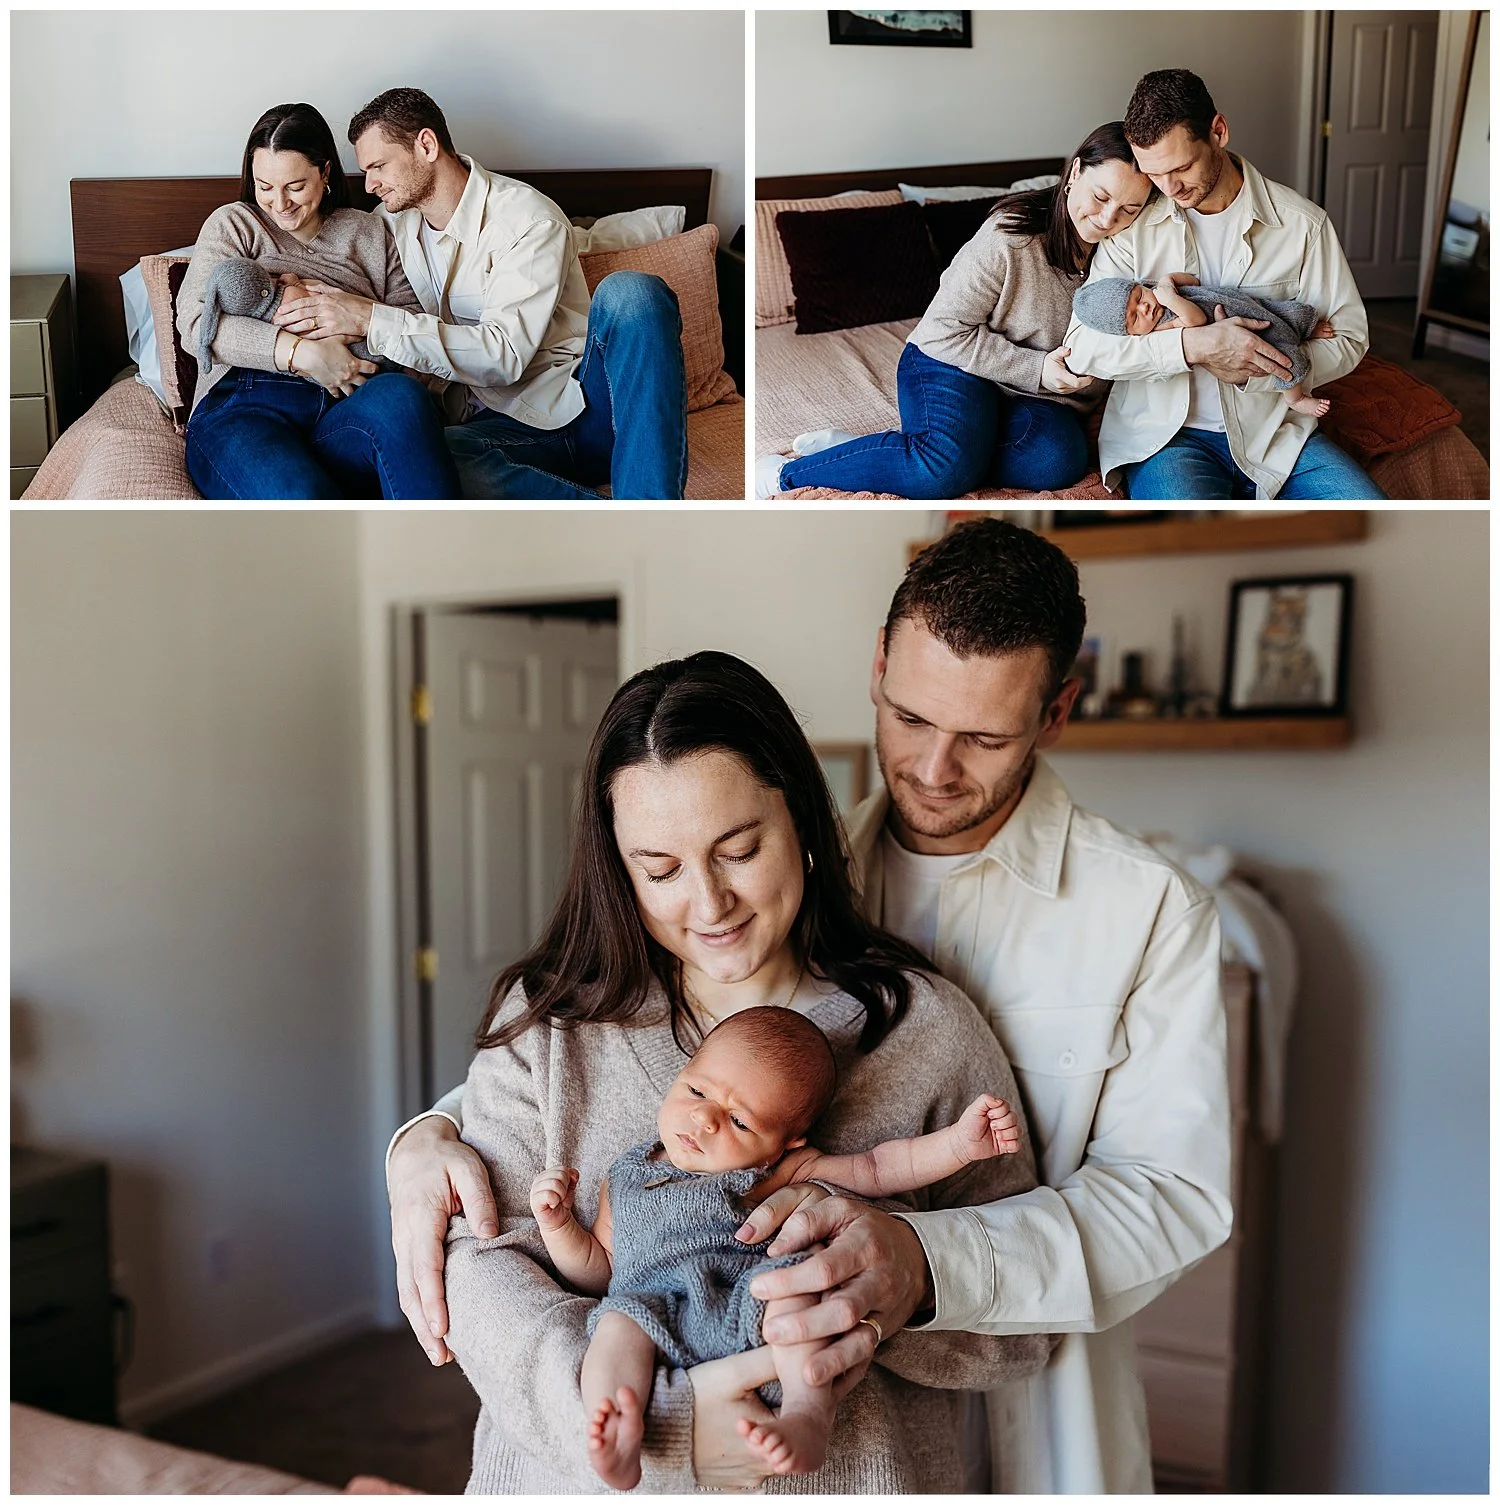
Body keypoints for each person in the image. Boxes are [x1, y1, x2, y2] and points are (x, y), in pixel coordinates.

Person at [387, 519, 1233, 1493]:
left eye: (740, 850)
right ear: (877, 670)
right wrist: (424, 1133)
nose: (932, 767)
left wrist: (916, 1264)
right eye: (910, 719)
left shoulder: (1103, 933)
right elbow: (508, 1192)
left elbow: (1166, 1197)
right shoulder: (580, 1007)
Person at [435, 650, 1051, 1492]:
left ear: (798, 819)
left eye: (738, 849)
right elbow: (478, 1263)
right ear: (619, 867)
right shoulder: (547, 1025)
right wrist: (655, 1426)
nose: (709, 903)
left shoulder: (925, 1030)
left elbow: (1030, 1323)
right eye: (659, 870)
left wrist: (909, 1276)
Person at [533, 1004, 1023, 1486]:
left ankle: (807, 1416)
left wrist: (959, 1145)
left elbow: (877, 1168)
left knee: (801, 1289)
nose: (705, 1119)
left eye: (740, 1122)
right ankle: (616, 1425)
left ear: (785, 1145)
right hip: (653, 1310)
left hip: (749, 1300)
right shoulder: (624, 1177)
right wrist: (559, 1227)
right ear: (681, 1074)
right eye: (697, 1089)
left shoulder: (777, 1173)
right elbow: (601, 1268)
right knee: (614, 1325)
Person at [270, 88, 690, 500]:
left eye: (378, 166)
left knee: (633, 293)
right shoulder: (388, 228)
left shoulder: (527, 220)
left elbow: (504, 356)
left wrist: (369, 318)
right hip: (492, 430)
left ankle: (650, 511)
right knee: (423, 457)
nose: (370, 185)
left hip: (582, 410)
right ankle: (611, 526)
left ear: (427, 145)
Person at [754, 122, 1154, 500]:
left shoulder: (1131, 253)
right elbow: (941, 331)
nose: (1107, 219)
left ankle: (886, 452)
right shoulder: (1010, 237)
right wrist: (1037, 370)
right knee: (944, 468)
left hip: (1031, 397)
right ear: (1075, 173)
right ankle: (784, 474)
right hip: (953, 361)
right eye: (1100, 197)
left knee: (1058, 460)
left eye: (1129, 209)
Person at [1065, 69, 1385, 499]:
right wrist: (1192, 349)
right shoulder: (1133, 224)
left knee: (1369, 508)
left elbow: (1349, 338)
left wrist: (1253, 367)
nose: (1169, 188)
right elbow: (1084, 345)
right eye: (1154, 173)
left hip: (1275, 437)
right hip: (1165, 441)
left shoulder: (1302, 225)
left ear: (1219, 131)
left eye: (1181, 167)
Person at [178, 103, 460, 501]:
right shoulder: (234, 225)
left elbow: (412, 333)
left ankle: (440, 554)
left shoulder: (370, 232)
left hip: (349, 405)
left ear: (325, 172)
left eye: (295, 187)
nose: (280, 204)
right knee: (302, 496)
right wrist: (303, 353)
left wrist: (353, 315)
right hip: (247, 406)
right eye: (264, 187)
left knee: (402, 397)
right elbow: (195, 325)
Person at [1073, 273, 1338, 416]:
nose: (1145, 307)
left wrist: (1168, 282)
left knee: (1293, 313)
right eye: (1134, 317)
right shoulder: (1162, 326)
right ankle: (1296, 398)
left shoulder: (1159, 290)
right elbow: (1195, 319)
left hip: (1248, 306)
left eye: (1139, 296)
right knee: (1287, 361)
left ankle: (1307, 328)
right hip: (1252, 334)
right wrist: (1171, 299)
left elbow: (1193, 280)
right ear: (1130, 334)